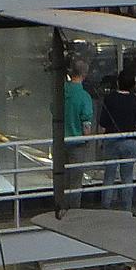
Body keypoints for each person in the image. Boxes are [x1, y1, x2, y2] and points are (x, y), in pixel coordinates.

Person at [98, 70, 136, 210]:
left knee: (109, 176)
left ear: (118, 82)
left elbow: (103, 122)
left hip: (112, 140)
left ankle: (106, 206)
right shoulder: (135, 100)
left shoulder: (110, 98)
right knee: (127, 176)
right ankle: (127, 208)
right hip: (130, 141)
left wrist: (101, 141)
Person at [62, 60, 95, 210]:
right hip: (78, 143)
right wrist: (87, 139)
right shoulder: (84, 96)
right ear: (84, 75)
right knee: (75, 181)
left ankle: (61, 208)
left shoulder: (61, 91)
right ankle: (73, 211)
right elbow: (86, 122)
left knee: (62, 178)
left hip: (60, 142)